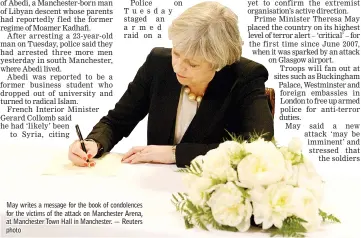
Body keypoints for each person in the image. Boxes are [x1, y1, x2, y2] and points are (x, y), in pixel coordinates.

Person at [68, 1, 274, 168]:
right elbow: (116, 121)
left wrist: (176, 154)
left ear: (219, 63)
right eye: (176, 53)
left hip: (213, 192)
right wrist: (94, 143)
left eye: (192, 63)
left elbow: (258, 147)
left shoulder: (246, 76)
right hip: (155, 186)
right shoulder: (158, 63)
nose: (178, 67)